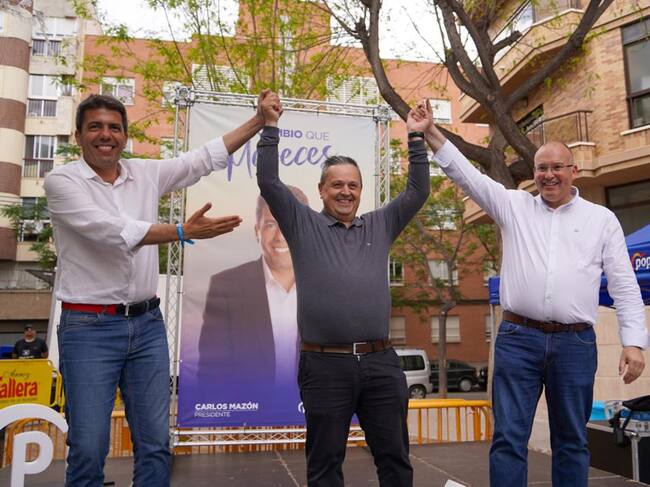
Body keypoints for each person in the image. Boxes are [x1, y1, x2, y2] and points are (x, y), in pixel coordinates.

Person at [412, 100, 647, 487]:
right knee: (508, 438)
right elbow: (467, 176)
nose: (549, 175)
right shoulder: (514, 206)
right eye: (541, 168)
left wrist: (633, 342)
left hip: (575, 344)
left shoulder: (601, 220)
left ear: (573, 171)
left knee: (572, 441)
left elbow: (623, 284)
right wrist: (431, 132)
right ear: (533, 173)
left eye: (557, 167)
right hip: (517, 339)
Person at [44, 92, 274, 487]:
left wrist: (259, 120)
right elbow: (109, 231)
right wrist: (181, 231)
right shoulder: (62, 181)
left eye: (114, 127)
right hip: (88, 328)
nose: (106, 135)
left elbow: (200, 160)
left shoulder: (144, 173)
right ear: (78, 136)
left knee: (155, 444)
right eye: (95, 127)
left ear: (125, 136)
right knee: (88, 447)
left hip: (147, 324)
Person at [256, 90, 430, 487]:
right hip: (325, 367)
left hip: (381, 363)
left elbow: (417, 192)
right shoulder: (302, 223)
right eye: (336, 185)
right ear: (321, 190)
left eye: (353, 185)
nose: (345, 192)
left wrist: (416, 137)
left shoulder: (381, 224)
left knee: (395, 461)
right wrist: (270, 126)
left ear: (361, 190)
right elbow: (268, 181)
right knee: (324, 466)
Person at [198, 187, 308, 393]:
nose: (280, 236)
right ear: (257, 230)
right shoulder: (225, 286)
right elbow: (211, 371)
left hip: (309, 407)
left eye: (289, 223)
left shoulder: (324, 283)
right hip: (248, 406)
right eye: (271, 224)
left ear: (304, 230)